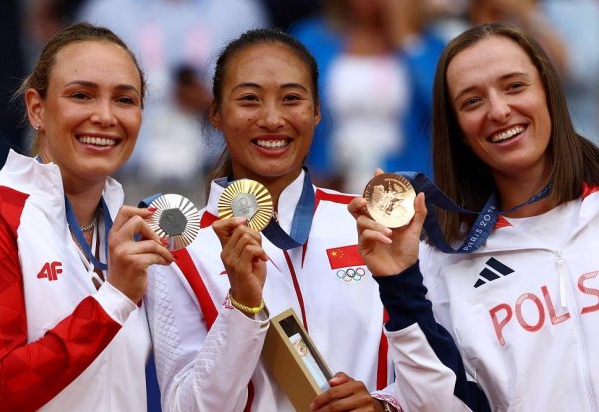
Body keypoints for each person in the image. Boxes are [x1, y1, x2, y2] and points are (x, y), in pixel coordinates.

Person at [145, 28, 400, 411]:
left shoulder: (367, 221)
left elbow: (438, 376)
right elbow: (184, 406)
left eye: (292, 99)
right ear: (216, 113)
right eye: (249, 99)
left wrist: (385, 405)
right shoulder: (178, 248)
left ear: (316, 112)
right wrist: (243, 308)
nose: (272, 118)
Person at [349, 22, 599, 411]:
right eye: (472, 101)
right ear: (459, 132)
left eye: (515, 86)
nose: (499, 111)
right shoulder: (443, 263)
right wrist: (400, 284)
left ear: (548, 92)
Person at [0, 22, 174, 411]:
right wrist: (113, 299)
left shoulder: (134, 229)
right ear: (37, 108)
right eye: (82, 95)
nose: (105, 116)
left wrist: (243, 307)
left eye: (124, 100)